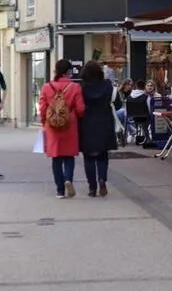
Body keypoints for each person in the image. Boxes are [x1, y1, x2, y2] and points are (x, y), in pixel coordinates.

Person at [38, 59, 86, 199]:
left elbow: (42, 108)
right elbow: (81, 109)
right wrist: (75, 115)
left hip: (52, 126)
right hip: (69, 125)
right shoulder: (75, 87)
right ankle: (68, 179)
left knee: (56, 158)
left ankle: (60, 190)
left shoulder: (47, 87)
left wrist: (44, 122)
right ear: (68, 72)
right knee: (69, 156)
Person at [78, 60, 118, 198]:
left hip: (87, 123)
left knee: (88, 157)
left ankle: (92, 187)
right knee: (103, 155)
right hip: (104, 121)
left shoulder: (82, 87)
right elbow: (113, 100)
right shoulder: (107, 85)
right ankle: (102, 178)